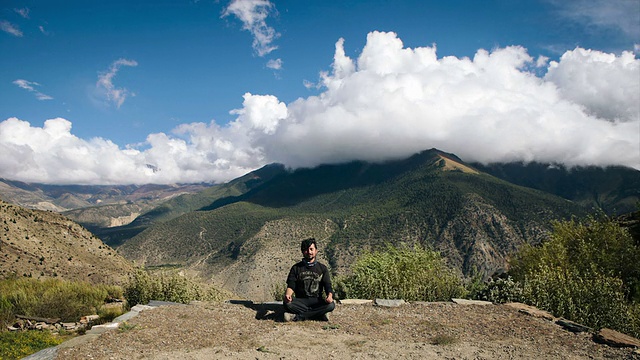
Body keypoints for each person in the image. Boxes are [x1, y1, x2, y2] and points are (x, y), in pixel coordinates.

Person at [283, 238, 335, 322]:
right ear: (302, 251)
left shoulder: (322, 268)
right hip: (301, 301)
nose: (309, 252)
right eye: (306, 250)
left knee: (331, 305)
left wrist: (330, 295)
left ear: (316, 251)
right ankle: (319, 314)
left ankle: (298, 316)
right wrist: (288, 296)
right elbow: (291, 285)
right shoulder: (296, 268)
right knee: (287, 304)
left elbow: (327, 285)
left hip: (317, 300)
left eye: (311, 249)